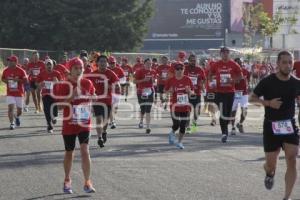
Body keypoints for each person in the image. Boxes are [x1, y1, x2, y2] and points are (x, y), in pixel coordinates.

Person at [249, 50, 299, 200]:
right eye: (284, 62)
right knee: (272, 165)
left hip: (289, 125)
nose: (288, 65)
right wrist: (268, 103)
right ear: (277, 64)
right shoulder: (268, 81)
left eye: (290, 62)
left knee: (292, 159)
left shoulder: (296, 82)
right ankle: (269, 172)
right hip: (271, 126)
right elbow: (251, 98)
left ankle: (286, 197)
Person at [53, 57, 96, 194]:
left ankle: (87, 182)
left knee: (85, 151)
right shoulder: (64, 85)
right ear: (70, 70)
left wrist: (92, 98)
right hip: (70, 124)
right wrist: (71, 97)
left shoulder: (87, 83)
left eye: (80, 68)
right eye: (75, 68)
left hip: (84, 123)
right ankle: (67, 179)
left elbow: (93, 96)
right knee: (69, 153)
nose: (79, 71)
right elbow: (59, 107)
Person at [208, 47, 242, 143]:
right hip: (219, 92)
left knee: (227, 113)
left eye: (227, 53)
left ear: (229, 54)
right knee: (223, 112)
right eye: (223, 53)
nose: (225, 55)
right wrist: (212, 82)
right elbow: (210, 74)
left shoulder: (233, 64)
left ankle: (225, 126)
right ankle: (224, 133)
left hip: (230, 92)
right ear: (221, 54)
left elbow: (240, 76)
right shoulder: (216, 64)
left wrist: (233, 80)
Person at [87, 55, 119, 148]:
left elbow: (117, 85)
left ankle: (104, 131)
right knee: (98, 118)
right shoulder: (93, 75)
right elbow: (88, 87)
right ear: (97, 63)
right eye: (101, 61)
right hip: (97, 100)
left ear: (107, 63)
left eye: (105, 62)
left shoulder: (111, 73)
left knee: (105, 120)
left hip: (107, 100)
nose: (103, 63)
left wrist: (110, 86)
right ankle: (99, 137)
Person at [165, 62, 194, 149]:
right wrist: (170, 91)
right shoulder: (170, 80)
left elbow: (192, 92)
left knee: (183, 125)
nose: (179, 70)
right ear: (174, 70)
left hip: (185, 106)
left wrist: (189, 91)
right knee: (176, 124)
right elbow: (165, 91)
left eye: (181, 69)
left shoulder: (187, 79)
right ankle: (172, 133)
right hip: (174, 106)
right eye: (177, 69)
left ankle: (180, 142)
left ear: (184, 70)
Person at [1, 55, 28, 130]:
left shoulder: (21, 71)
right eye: (8, 61)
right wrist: (7, 81)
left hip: (19, 93)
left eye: (10, 61)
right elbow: (2, 79)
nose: (9, 62)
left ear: (15, 62)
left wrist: (18, 80)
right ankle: (12, 123)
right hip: (10, 93)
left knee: (20, 111)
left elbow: (26, 80)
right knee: (10, 108)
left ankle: (17, 116)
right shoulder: (6, 70)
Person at [37, 59, 62, 133]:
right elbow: (37, 84)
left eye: (50, 64)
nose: (49, 66)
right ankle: (49, 125)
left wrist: (57, 81)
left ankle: (54, 116)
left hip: (55, 95)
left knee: (54, 111)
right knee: (46, 109)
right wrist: (40, 84)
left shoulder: (57, 73)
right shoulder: (42, 74)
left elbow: (62, 83)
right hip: (46, 95)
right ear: (45, 66)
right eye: (47, 65)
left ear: (52, 65)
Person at [184, 54, 206, 132]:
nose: (193, 62)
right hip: (187, 93)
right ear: (189, 61)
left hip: (197, 93)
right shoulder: (185, 69)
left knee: (197, 111)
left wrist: (202, 84)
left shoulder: (200, 69)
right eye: (192, 60)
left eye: (194, 60)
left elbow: (204, 79)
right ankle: (187, 126)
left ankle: (194, 122)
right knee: (187, 111)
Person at [134, 58, 156, 133]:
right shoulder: (140, 71)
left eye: (150, 64)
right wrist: (143, 80)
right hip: (141, 91)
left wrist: (153, 80)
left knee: (148, 109)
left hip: (150, 91)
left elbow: (154, 82)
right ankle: (141, 121)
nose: (149, 65)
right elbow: (134, 81)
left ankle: (148, 126)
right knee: (142, 108)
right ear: (144, 64)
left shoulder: (153, 71)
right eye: (148, 63)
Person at [230, 58, 251, 135]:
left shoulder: (246, 71)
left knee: (244, 111)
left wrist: (247, 86)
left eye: (241, 63)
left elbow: (248, 80)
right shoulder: (232, 72)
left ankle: (240, 123)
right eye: (238, 63)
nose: (240, 64)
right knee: (233, 111)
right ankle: (232, 127)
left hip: (244, 93)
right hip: (234, 93)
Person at [107, 56, 125, 129]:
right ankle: (112, 121)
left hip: (117, 91)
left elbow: (123, 80)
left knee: (115, 108)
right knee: (111, 107)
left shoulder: (119, 70)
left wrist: (118, 83)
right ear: (108, 63)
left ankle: (112, 118)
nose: (112, 64)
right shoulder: (106, 70)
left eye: (113, 63)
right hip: (109, 92)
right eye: (110, 63)